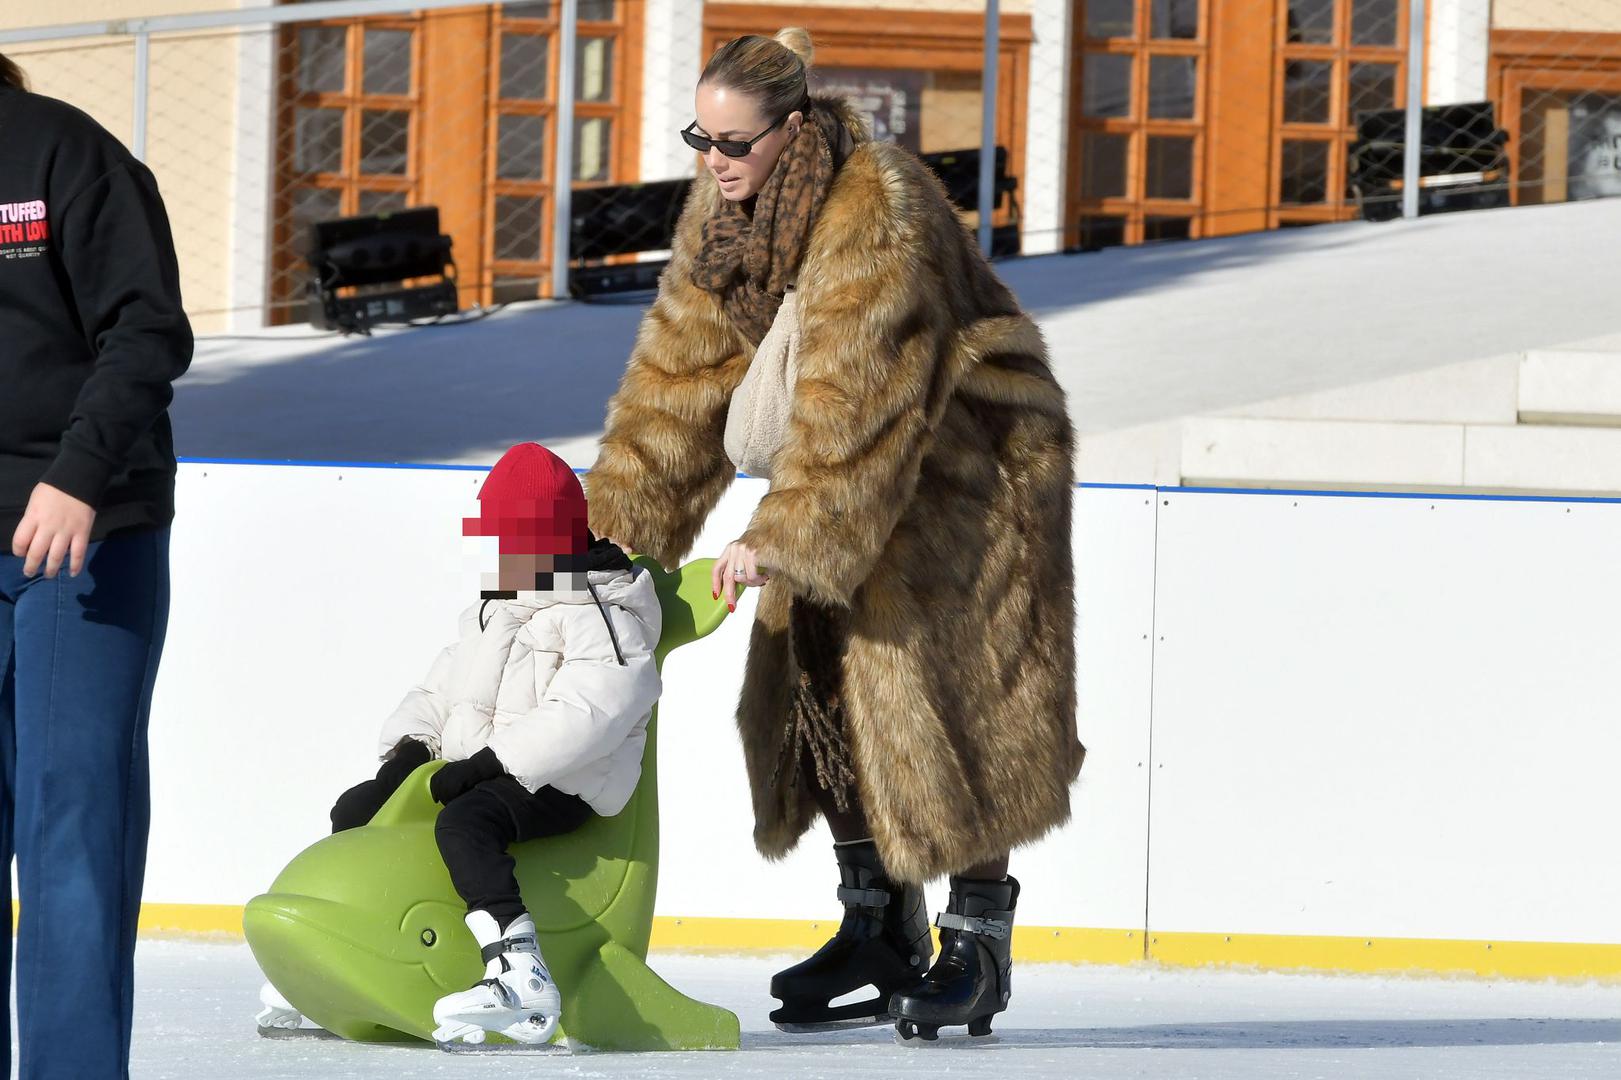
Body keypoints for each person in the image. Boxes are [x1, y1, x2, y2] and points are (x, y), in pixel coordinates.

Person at [586, 28, 1083, 1043]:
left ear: (794, 127)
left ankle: (976, 944)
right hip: (849, 467)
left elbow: (861, 403)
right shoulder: (720, 217)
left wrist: (783, 532)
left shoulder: (878, 210)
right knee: (814, 682)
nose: (714, 160)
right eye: (701, 137)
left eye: (735, 141)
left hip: (969, 468)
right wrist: (614, 537)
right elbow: (678, 383)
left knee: (955, 700)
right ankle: (877, 925)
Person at [256, 442, 662, 1048]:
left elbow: (590, 711)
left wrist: (493, 763)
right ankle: (355, 950)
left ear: (553, 534)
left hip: (566, 779)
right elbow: (443, 687)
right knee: (358, 809)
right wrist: (409, 754)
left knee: (467, 824)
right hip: (486, 767)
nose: (503, 551)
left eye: (514, 537)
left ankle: (519, 972)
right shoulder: (499, 604)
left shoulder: (603, 611)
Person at [0, 53, 191, 1079]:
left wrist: (77, 474)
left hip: (82, 538)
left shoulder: (63, 153)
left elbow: (147, 327)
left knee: (72, 833)